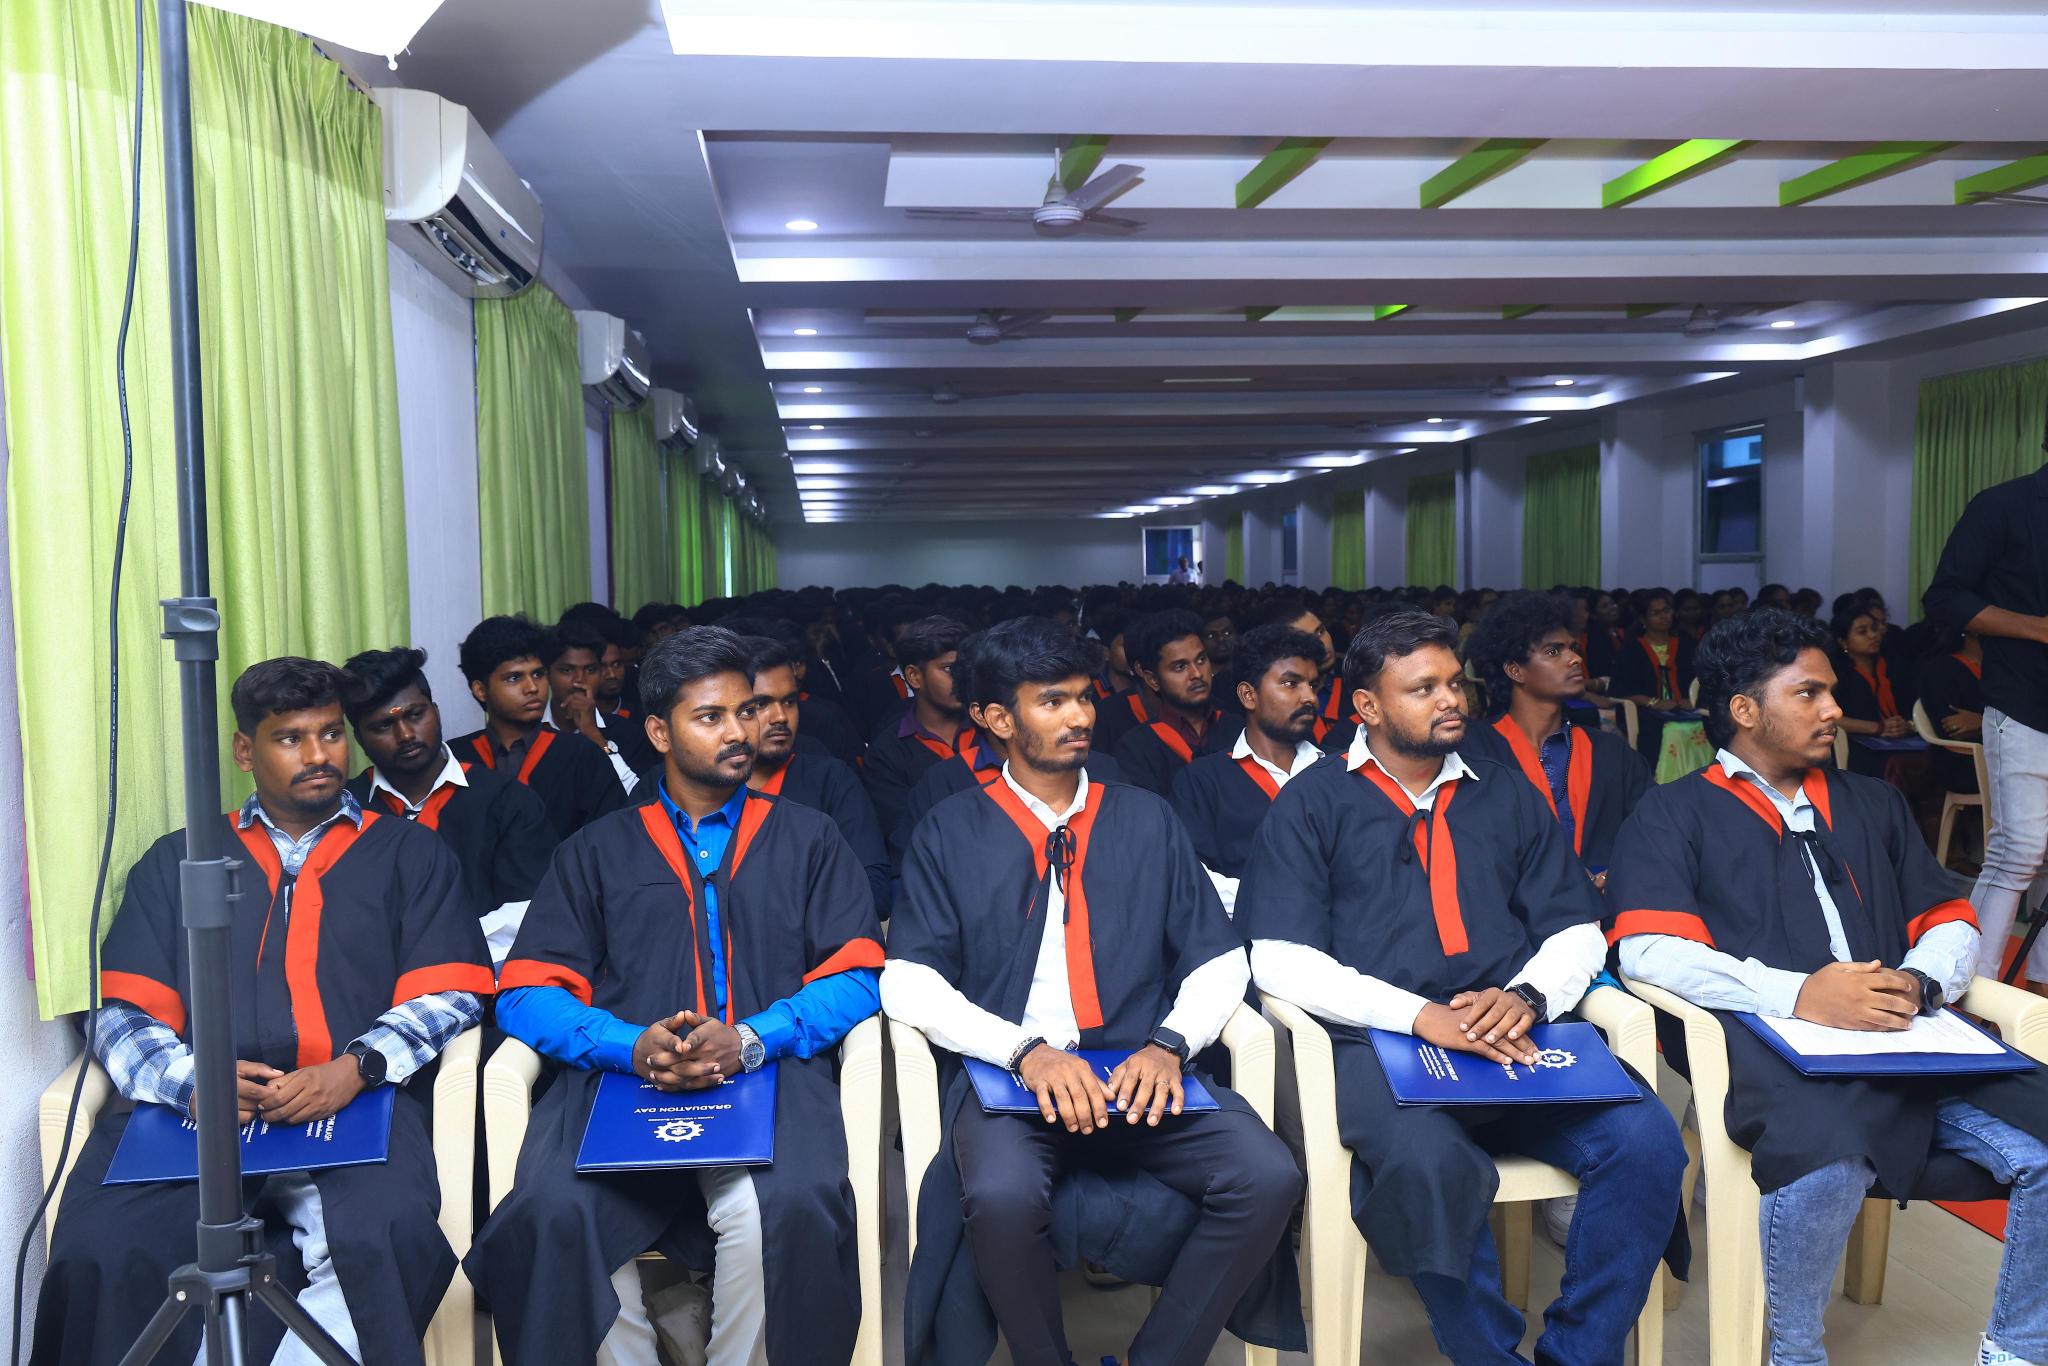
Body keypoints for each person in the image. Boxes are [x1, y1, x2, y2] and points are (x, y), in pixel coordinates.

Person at [1240, 610, 1686, 1365]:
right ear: (1368, 706)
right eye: (1423, 688)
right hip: (1380, 1044)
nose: (1451, 699)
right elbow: (1278, 959)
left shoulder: (1505, 794)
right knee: (1430, 1165)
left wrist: (1529, 998)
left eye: (1454, 682)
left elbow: (1577, 927)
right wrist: (1419, 1016)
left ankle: (1580, 1353)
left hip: (1516, 1033)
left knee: (1646, 1143)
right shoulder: (1313, 803)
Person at [1609, 609, 2048, 1366]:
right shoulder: (1675, 812)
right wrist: (1801, 995)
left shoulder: (1872, 802)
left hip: (1909, 1037)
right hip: (1773, 1044)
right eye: (1808, 693)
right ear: (1745, 710)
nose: (1834, 709)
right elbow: (1649, 952)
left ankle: (2014, 1352)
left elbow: (1950, 919)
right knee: (1828, 1150)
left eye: (1832, 692)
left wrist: (1918, 980)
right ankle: (1796, 1353)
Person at [36, 659, 494, 1366]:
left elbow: (452, 993)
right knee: (102, 1250)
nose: (318, 755)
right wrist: (193, 1081)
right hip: (194, 1115)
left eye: (331, 734)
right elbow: (120, 1012)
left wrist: (358, 1066)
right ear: (244, 751)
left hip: (352, 1107)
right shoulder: (180, 861)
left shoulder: (409, 853)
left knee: (386, 1235)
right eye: (290, 738)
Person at [883, 617, 1303, 1366]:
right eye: (1053, 701)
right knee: (1001, 1197)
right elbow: (909, 979)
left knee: (1267, 1177)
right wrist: (1025, 1052)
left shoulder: (1145, 816)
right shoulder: (950, 830)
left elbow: (1216, 959)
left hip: (1141, 1067)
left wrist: (1169, 1046)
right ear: (996, 718)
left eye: (1083, 697)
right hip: (1014, 1076)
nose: (1079, 716)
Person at [468, 628, 885, 1366]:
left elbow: (856, 975)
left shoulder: (809, 839)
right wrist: (629, 1044)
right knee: (556, 1213)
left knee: (786, 1208)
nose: (740, 731)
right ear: (659, 732)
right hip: (622, 1083)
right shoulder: (596, 850)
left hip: (770, 1078)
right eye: (711, 717)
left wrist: (751, 1038)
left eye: (746, 711)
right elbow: (526, 991)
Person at [342, 646, 556, 964]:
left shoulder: (507, 801)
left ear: (436, 712)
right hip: (369, 977)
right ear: (359, 738)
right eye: (383, 726)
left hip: (482, 974)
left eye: (415, 715)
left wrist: (439, 949)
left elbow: (527, 909)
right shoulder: (346, 809)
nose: (405, 734)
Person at [1924, 451, 2048, 988]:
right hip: (2024, 702)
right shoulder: (2003, 505)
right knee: (2018, 852)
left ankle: (2040, 992)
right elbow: (1944, 598)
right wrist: (2037, 628)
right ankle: (1972, 991)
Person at [1465, 590, 1652, 883]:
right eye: (1554, 651)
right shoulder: (1474, 750)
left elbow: (1652, 829)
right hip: (1508, 904)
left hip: (1605, 903)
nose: (1575, 658)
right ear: (1515, 670)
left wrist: (1615, 875)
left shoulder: (1611, 752)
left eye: (1573, 648)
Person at [1169, 623, 1325, 916]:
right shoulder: (1202, 781)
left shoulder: (1337, 771)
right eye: (1291, 684)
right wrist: (1281, 900)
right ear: (1248, 696)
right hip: (1247, 933)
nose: (1310, 698)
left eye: (1313, 685)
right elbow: (1192, 874)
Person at [737, 635, 893, 920]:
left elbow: (875, 890)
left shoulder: (831, 780)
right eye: (761, 704)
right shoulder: (697, 788)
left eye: (789, 701)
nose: (780, 716)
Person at [452, 614, 627, 839]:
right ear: (481, 690)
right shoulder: (456, 760)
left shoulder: (581, 755)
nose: (532, 687)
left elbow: (610, 838)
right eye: (514, 678)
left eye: (538, 674)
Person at [861, 614, 971, 848]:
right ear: (914, 676)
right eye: (949, 669)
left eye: (965, 668)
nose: (962, 678)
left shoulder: (992, 731)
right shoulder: (887, 753)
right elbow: (904, 835)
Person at [1113, 608, 1244, 797]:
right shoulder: (1137, 747)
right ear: (1153, 680)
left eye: (1201, 660)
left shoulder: (1237, 728)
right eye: (1180, 667)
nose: (1197, 674)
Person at [545, 618, 654, 790]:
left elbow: (637, 796)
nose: (579, 680)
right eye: (567, 670)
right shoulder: (531, 730)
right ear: (547, 674)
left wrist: (595, 735)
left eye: (590, 670)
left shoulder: (626, 733)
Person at [1609, 587, 1696, 760]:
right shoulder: (1632, 648)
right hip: (1644, 711)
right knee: (1673, 730)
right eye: (1655, 613)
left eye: (1666, 610)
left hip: (1682, 708)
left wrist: (1691, 700)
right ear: (1643, 619)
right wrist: (1654, 703)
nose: (1663, 616)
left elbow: (1700, 679)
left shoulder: (1686, 643)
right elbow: (1621, 688)